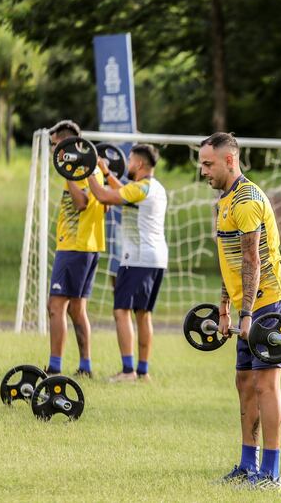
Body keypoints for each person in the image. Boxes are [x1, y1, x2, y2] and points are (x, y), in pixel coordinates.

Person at [199, 132, 281, 491]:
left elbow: (252, 260)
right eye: (201, 163)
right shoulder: (222, 203)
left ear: (230, 160)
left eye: (208, 163)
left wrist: (246, 315)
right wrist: (224, 308)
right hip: (245, 306)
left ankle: (271, 473)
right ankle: (247, 465)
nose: (203, 170)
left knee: (266, 384)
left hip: (270, 301)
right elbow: (229, 262)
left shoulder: (247, 200)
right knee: (243, 383)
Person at [87, 144, 168, 382]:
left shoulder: (140, 188)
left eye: (131, 160)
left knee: (121, 311)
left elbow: (103, 196)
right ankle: (142, 371)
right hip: (157, 259)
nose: (128, 164)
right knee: (143, 314)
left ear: (140, 164)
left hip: (137, 259)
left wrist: (91, 173)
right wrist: (108, 174)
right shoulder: (154, 187)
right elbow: (124, 192)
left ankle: (127, 370)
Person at [47, 120, 105, 377]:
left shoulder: (81, 168)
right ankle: (85, 366)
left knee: (55, 306)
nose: (52, 151)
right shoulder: (87, 166)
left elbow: (81, 203)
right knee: (76, 309)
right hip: (86, 247)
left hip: (76, 247)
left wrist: (68, 173)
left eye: (55, 145)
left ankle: (54, 367)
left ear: (67, 144)